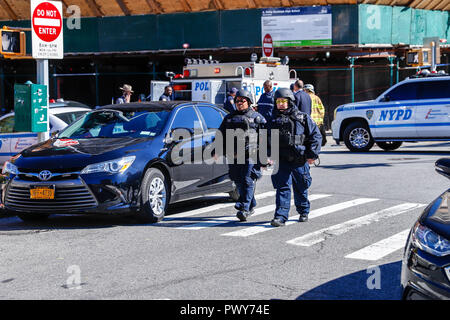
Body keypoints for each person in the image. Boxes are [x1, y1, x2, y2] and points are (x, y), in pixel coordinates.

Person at [268, 88, 322, 227]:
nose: (280, 104)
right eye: (278, 101)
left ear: (290, 101)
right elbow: (266, 139)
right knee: (282, 188)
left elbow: (316, 136)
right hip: (282, 160)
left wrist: (312, 155)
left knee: (301, 187)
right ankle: (280, 217)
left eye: (283, 101)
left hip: (299, 160)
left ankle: (303, 211)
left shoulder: (302, 118)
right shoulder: (273, 120)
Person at [218, 89, 266, 222]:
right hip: (233, 154)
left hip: (250, 154)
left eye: (242, 101)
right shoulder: (229, 118)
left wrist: (265, 157)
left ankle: (244, 208)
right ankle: (251, 203)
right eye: (237, 101)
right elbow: (220, 134)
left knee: (247, 179)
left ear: (249, 102)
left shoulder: (257, 118)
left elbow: (265, 138)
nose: (239, 103)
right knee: (237, 180)